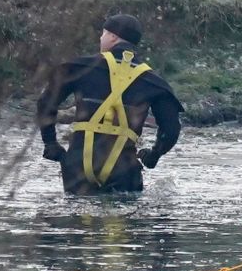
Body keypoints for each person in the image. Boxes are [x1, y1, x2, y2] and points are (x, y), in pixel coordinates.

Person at [36, 14, 183, 195]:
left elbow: (45, 103)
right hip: (123, 169)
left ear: (113, 36)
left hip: (78, 166)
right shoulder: (154, 82)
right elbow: (171, 129)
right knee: (121, 217)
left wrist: (50, 142)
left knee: (77, 219)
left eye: (103, 33)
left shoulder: (80, 67)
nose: (101, 38)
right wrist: (154, 154)